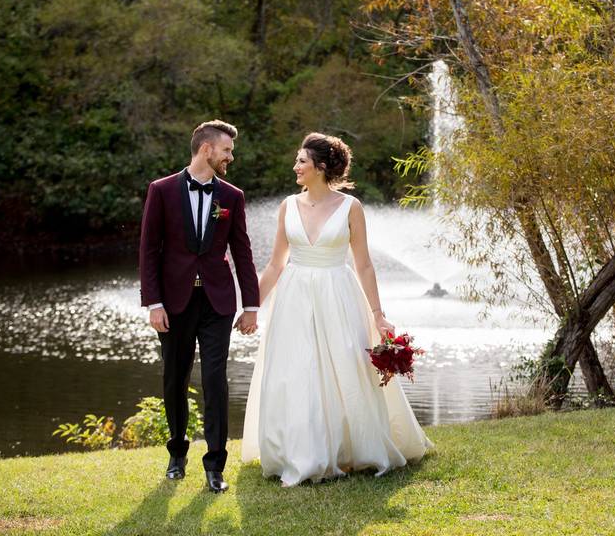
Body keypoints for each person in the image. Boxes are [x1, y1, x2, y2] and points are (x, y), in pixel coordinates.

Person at [240, 132, 434, 487]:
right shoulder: (288, 206)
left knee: (345, 368)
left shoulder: (350, 207)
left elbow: (364, 265)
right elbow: (274, 266)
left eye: (301, 161)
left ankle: (349, 447)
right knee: (297, 371)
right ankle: (301, 452)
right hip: (294, 298)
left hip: (338, 294)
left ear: (321, 167)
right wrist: (251, 307)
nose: (295, 166)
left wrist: (378, 313)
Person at [138, 119, 260, 492]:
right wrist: (153, 303)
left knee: (214, 380)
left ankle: (215, 466)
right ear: (206, 149)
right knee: (174, 378)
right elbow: (149, 251)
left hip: (217, 302)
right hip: (173, 303)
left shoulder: (232, 197)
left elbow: (242, 251)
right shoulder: (160, 191)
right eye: (226, 151)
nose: (230, 157)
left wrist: (251, 305)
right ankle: (177, 455)